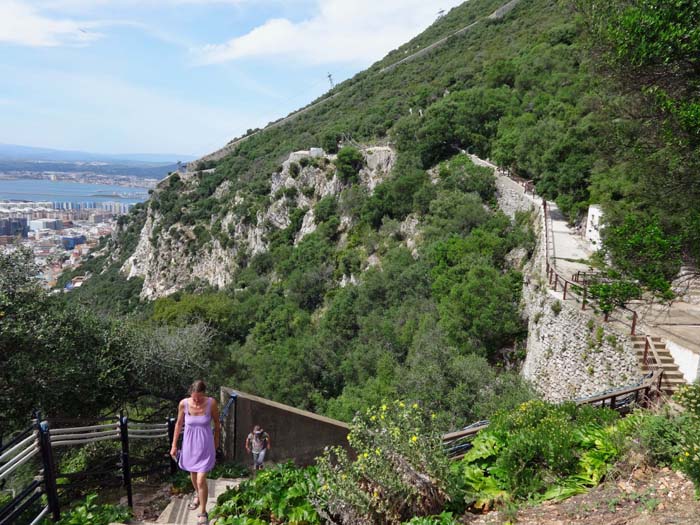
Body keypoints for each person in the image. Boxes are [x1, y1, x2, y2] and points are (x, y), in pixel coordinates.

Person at [170, 380, 220, 525]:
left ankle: (203, 511)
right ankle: (198, 495)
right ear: (190, 393)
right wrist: (174, 445)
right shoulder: (183, 404)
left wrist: (217, 441)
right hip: (189, 446)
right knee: (193, 475)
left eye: (199, 397)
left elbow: (217, 423)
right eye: (194, 397)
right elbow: (179, 424)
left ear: (204, 394)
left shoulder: (211, 403)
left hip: (206, 445)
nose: (196, 400)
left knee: (200, 479)